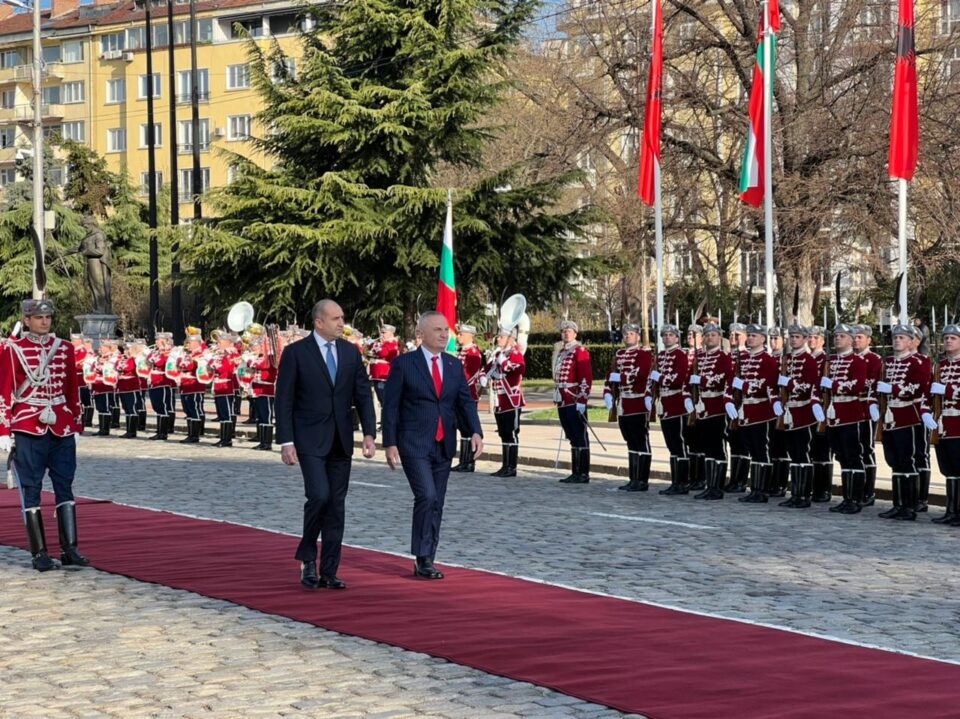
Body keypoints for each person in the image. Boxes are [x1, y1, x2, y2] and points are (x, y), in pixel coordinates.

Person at [276, 300, 376, 590]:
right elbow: (284, 399)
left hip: (341, 439)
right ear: (319, 322)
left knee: (336, 505)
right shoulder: (296, 353)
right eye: (335, 318)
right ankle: (308, 557)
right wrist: (286, 441)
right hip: (309, 439)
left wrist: (369, 433)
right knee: (319, 496)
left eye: (342, 317)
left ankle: (329, 570)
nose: (341, 322)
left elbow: (363, 394)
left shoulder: (349, 351)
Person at [382, 311, 483, 580]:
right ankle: (422, 554)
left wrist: (474, 431)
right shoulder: (405, 364)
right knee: (426, 495)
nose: (443, 334)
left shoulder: (452, 365)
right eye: (437, 329)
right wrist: (389, 442)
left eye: (446, 329)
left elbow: (464, 402)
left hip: (443, 442)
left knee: (437, 500)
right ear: (421, 334)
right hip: (413, 442)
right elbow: (391, 406)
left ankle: (427, 556)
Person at [0, 299, 86, 571]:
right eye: (38, 317)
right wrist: (4, 430)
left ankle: (70, 549)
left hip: (61, 424)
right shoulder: (13, 350)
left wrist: (76, 424)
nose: (44, 321)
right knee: (32, 488)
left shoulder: (64, 348)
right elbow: (5, 391)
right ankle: (39, 553)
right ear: (26, 320)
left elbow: (73, 388)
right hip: (28, 425)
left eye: (48, 316)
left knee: (65, 485)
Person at [876, 324, 931, 521]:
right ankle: (897, 504)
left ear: (910, 341)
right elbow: (878, 387)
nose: (897, 340)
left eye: (901, 338)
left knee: (908, 460)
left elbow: (918, 389)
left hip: (908, 415)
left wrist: (892, 388)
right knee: (894, 461)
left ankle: (909, 505)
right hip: (890, 416)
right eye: (895, 337)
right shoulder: (888, 361)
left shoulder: (919, 361)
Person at [725, 324, 781, 503]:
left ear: (763, 339)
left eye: (754, 336)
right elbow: (733, 382)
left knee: (761, 450)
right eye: (749, 335)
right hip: (746, 411)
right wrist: (729, 399)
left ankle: (762, 489)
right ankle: (755, 488)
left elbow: (766, 386)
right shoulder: (744, 358)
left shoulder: (767, 360)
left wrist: (745, 386)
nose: (750, 338)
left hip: (761, 411)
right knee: (752, 450)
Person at [823, 324, 868, 514]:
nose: (837, 339)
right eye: (836, 336)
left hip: (850, 412)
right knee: (841, 457)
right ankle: (846, 497)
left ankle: (856, 499)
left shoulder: (858, 361)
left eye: (842, 336)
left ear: (851, 339)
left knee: (853, 456)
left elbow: (857, 386)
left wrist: (833, 384)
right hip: (834, 414)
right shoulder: (831, 361)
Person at [603, 323, 654, 492]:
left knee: (640, 440)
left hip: (637, 402)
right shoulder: (619, 355)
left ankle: (642, 479)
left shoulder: (643, 354)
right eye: (626, 334)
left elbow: (642, 373)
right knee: (630, 441)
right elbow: (609, 375)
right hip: (623, 404)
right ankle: (633, 478)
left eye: (631, 333)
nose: (627, 336)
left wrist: (622, 377)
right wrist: (608, 392)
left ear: (638, 337)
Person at [776, 325, 822, 508]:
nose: (793, 340)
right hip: (789, 412)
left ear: (804, 339)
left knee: (803, 453)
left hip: (803, 412)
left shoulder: (809, 360)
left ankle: (804, 495)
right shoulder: (787, 358)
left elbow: (810, 386)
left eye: (797, 337)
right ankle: (795, 493)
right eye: (791, 337)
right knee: (793, 453)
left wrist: (791, 384)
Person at [690, 322, 734, 499]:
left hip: (716, 406)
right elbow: (689, 380)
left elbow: (721, 378)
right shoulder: (699, 358)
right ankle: (710, 484)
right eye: (707, 335)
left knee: (717, 447)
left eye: (713, 335)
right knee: (707, 447)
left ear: (719, 338)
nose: (709, 338)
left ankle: (717, 486)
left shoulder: (723, 358)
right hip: (702, 407)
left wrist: (702, 380)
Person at [648, 324, 694, 495]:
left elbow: (678, 379)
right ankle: (675, 481)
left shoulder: (681, 354)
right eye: (664, 335)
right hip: (665, 403)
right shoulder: (661, 356)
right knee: (671, 445)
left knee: (679, 443)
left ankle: (683, 482)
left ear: (676, 338)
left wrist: (659, 377)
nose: (667, 338)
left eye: (670, 335)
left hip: (677, 402)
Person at [482, 326, 525, 477]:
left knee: (511, 433)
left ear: (510, 339)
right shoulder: (500, 354)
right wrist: (484, 375)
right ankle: (505, 465)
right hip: (499, 399)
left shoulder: (515, 354)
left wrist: (503, 361)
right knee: (503, 433)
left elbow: (517, 369)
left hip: (511, 399)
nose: (498, 339)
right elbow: (487, 369)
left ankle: (511, 467)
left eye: (501, 336)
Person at [552, 320, 593, 483]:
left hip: (574, 397)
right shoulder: (562, 352)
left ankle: (583, 472)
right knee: (571, 435)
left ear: (575, 334)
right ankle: (575, 471)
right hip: (562, 398)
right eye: (564, 331)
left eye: (569, 331)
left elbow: (585, 377)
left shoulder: (580, 351)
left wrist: (583, 398)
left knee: (579, 434)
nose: (566, 334)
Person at [929, 323, 960, 525]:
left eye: (953, 338)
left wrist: (947, 391)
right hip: (943, 422)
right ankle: (951, 509)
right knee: (948, 469)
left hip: (958, 421)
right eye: (946, 338)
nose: (948, 341)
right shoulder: (940, 366)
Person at [853, 324, 883, 505]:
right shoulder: (849, 358)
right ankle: (856, 488)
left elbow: (872, 381)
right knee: (853, 450)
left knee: (867, 448)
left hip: (866, 407)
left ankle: (868, 491)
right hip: (851, 408)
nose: (856, 340)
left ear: (868, 340)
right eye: (855, 337)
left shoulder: (874, 359)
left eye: (860, 337)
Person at [451, 324, 484, 473]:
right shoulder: (462, 351)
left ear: (469, 336)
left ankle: (469, 462)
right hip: (458, 394)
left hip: (468, 394)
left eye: (461, 334)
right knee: (463, 428)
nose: (458, 336)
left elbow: (469, 374)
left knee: (469, 428)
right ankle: (463, 460)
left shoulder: (473, 352)